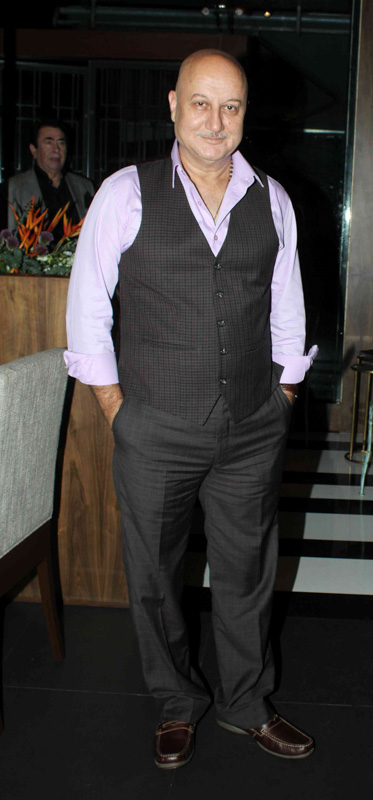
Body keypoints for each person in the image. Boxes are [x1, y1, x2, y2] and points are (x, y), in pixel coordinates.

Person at [65, 49, 317, 769]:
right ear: (174, 105)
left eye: (230, 106)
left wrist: (284, 395)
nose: (215, 120)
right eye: (201, 103)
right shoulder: (126, 192)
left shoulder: (272, 198)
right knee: (153, 578)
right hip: (153, 426)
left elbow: (288, 309)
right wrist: (117, 408)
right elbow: (87, 309)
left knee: (247, 575)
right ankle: (177, 702)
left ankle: (246, 703)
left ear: (244, 114)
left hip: (252, 425)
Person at [7, 119, 94, 235]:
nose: (56, 150)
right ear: (33, 150)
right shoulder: (13, 188)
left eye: (61, 143)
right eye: (49, 142)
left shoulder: (85, 187)